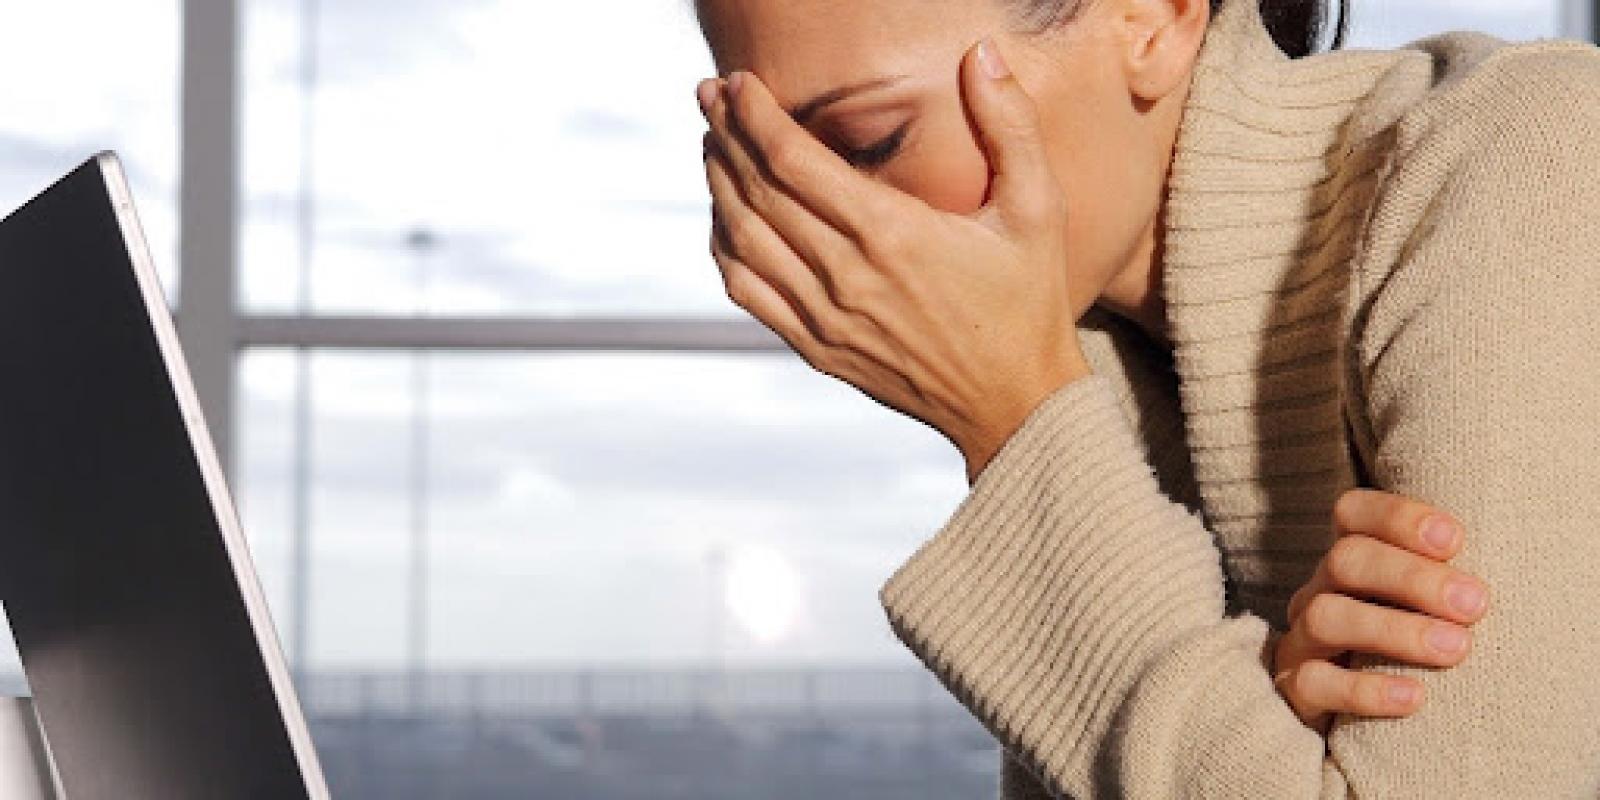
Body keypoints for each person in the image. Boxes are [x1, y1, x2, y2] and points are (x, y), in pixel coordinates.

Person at [691, 0, 1600, 796]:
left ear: (1152, 17)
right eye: (766, 169)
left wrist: (1017, 425)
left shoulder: (1532, 162)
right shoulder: (1094, 355)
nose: (831, 231)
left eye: (869, 142)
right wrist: (1260, 721)